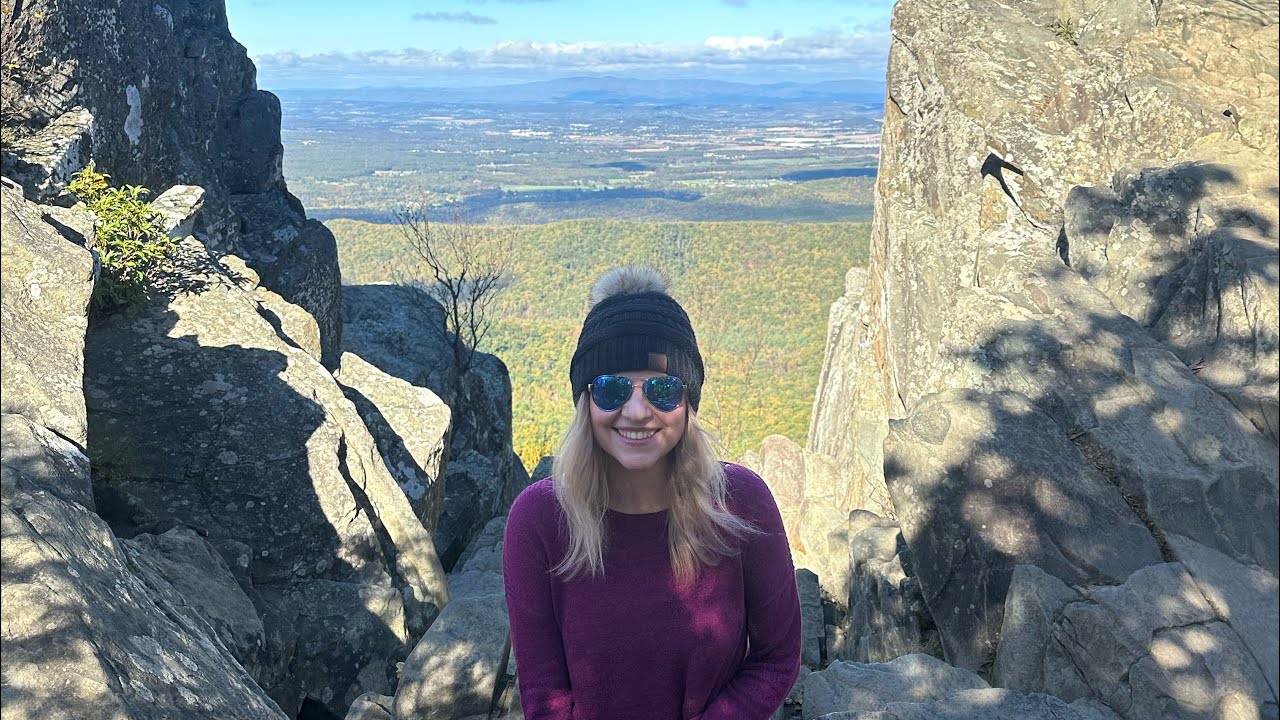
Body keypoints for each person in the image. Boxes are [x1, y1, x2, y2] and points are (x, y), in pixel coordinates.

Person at [503, 266, 802, 720]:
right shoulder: (541, 519)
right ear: (585, 401)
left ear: (689, 403)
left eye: (663, 389)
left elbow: (777, 657)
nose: (638, 411)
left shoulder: (741, 502)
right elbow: (544, 692)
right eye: (611, 388)